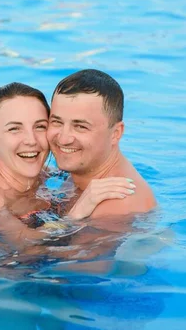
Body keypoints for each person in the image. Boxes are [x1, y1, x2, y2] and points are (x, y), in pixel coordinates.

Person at [0, 82, 135, 250]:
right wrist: (76, 213)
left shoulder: (43, 176)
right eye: (14, 129)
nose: (31, 140)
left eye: (40, 127)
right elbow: (24, 243)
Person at [47, 69, 156, 226]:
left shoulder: (115, 208)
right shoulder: (85, 168)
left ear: (115, 133)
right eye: (57, 122)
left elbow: (49, 251)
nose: (64, 139)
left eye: (80, 126)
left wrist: (71, 220)